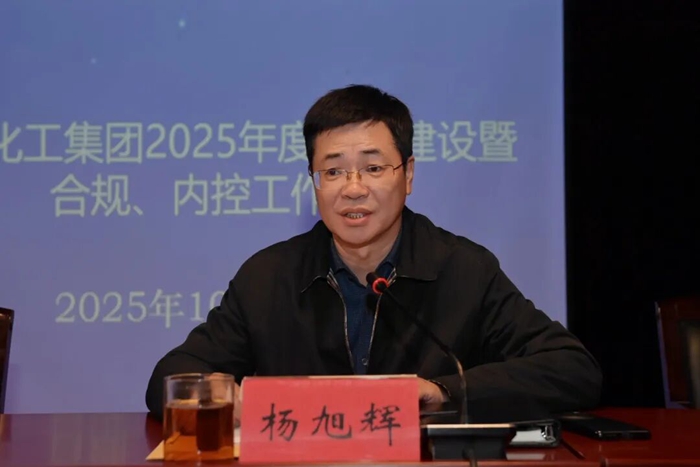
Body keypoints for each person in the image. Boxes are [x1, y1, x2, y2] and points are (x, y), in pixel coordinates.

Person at [146, 84, 602, 423]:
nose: (353, 188)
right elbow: (168, 380)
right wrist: (229, 398)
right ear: (313, 182)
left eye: (373, 167)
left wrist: (443, 391)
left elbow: (573, 369)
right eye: (333, 171)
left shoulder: (462, 268)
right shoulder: (269, 276)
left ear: (408, 175)